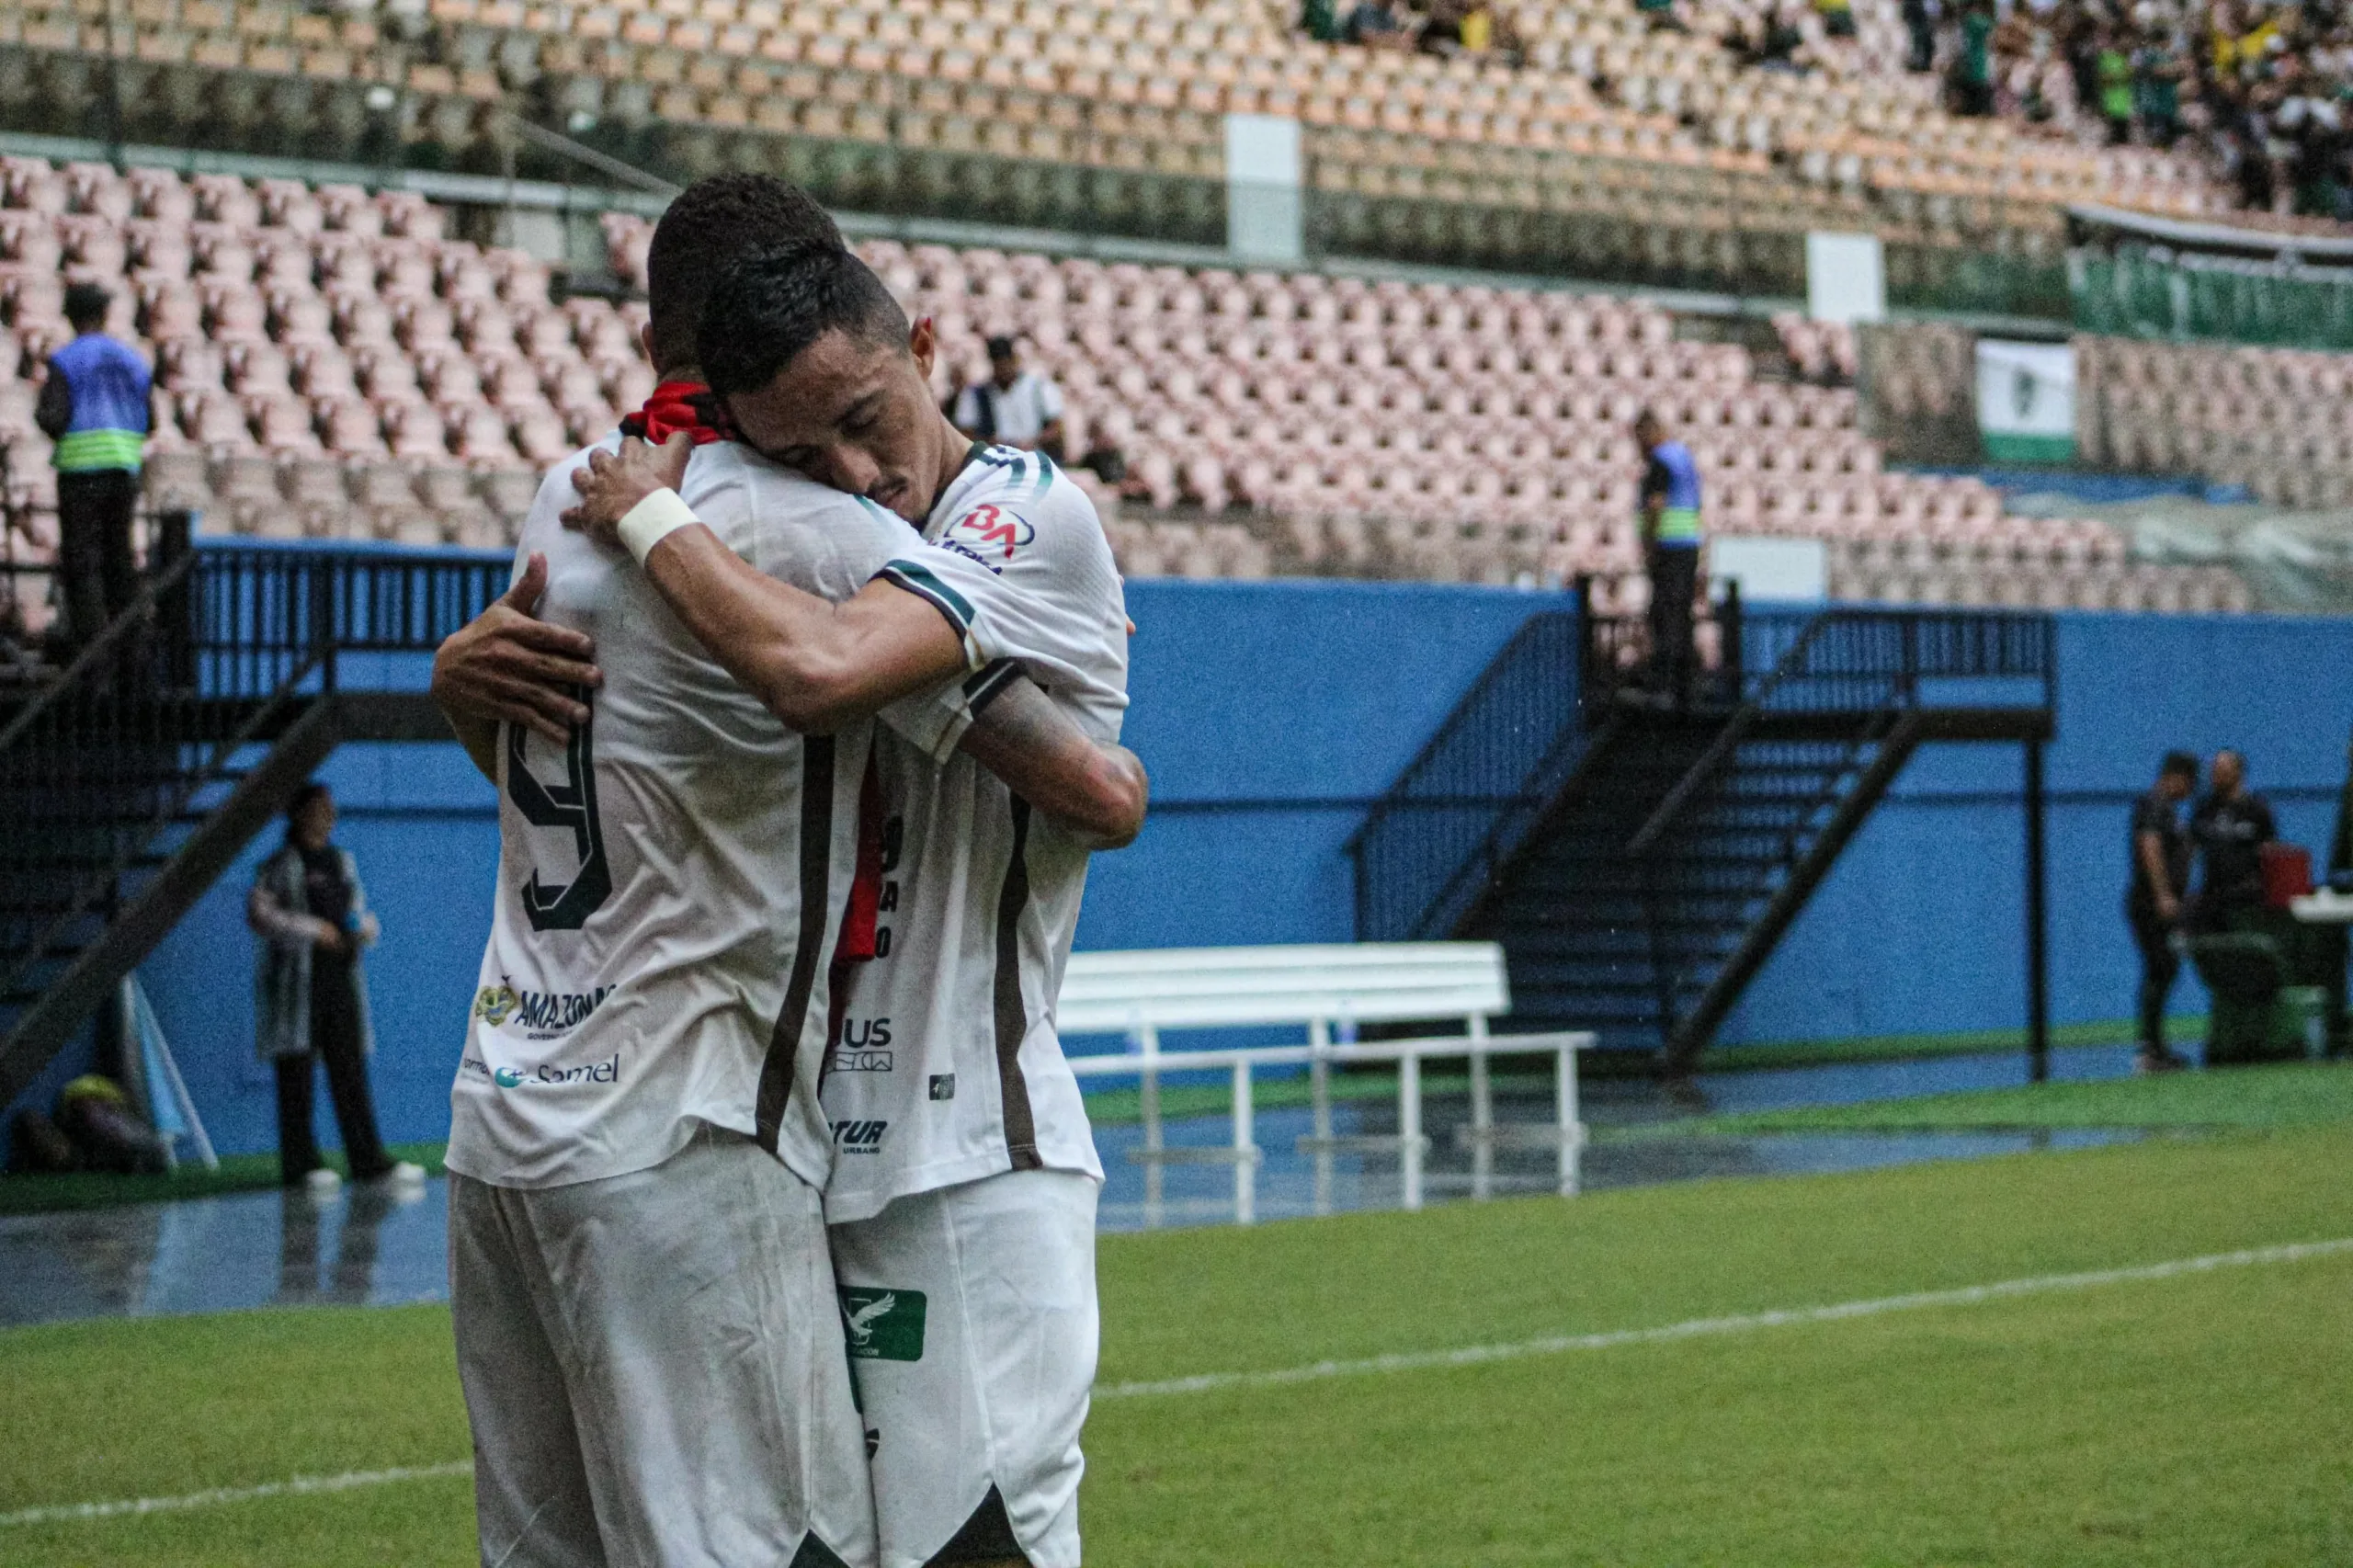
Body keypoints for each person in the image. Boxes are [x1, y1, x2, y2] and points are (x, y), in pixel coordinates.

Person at [427, 176, 1143, 1568]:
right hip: (772, 1130)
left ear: (916, 345)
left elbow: (1075, 778)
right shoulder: (808, 528)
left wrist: (625, 546)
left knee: (967, 1550)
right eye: (809, 443)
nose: (858, 472)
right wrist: (467, 687)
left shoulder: (991, 511)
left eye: (867, 424)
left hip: (954, 1134)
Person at [246, 783, 423, 1192]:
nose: (329, 815)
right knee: (297, 1076)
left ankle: (368, 1160)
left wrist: (361, 928)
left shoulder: (341, 861)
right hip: (296, 989)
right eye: (320, 808)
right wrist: (312, 930)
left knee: (350, 1073)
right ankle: (301, 1164)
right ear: (301, 813)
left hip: (339, 981)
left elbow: (356, 909)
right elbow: (261, 915)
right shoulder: (280, 864)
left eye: (331, 808)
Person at [34, 282, 151, 651]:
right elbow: (151, 422)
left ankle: (93, 656)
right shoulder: (134, 361)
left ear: (71, 317)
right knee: (120, 563)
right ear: (104, 315)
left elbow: (52, 417)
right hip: (124, 471)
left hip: (80, 475)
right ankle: (129, 655)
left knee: (83, 567)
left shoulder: (66, 360)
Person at [2127, 751, 2198, 1074]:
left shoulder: (2166, 809)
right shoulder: (2155, 805)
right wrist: (2164, 895)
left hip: (2157, 902)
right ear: (2177, 777)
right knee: (2161, 967)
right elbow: (2150, 848)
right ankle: (2149, 1049)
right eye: (2189, 784)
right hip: (2150, 903)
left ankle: (2154, 1045)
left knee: (2164, 968)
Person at [1634, 409, 1703, 703]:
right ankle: (1687, 680)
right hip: (1688, 543)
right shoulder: (1683, 457)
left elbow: (1655, 505)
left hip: (1669, 546)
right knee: (1681, 612)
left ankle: (1665, 682)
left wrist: (1648, 542)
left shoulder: (1661, 461)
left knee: (1663, 614)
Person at [2191, 747, 2278, 931]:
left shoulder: (2256, 809)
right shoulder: (2204, 808)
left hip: (2248, 896)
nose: (2215, 776)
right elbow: (2192, 846)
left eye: (2222, 771)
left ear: (2237, 773)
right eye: (2214, 771)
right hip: (2212, 895)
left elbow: (2271, 851)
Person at [952, 335, 1066, 460]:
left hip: (1036, 456)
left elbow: (1057, 427)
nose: (1003, 370)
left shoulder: (1039, 387)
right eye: (999, 365)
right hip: (994, 460)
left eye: (1006, 363)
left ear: (1014, 360)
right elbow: (965, 432)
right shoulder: (975, 393)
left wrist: (1033, 441)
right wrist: (990, 443)